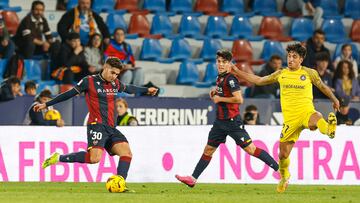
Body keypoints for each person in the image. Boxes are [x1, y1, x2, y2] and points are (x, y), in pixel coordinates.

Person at [229, 43, 339, 193]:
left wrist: (334, 99)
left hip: (306, 112)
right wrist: (236, 71)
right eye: (289, 56)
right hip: (290, 120)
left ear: (301, 59)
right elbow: (259, 80)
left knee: (316, 119)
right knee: (283, 155)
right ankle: (284, 176)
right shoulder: (281, 74)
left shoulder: (309, 73)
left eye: (294, 57)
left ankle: (329, 129)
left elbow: (323, 87)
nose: (290, 59)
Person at [36, 57, 158, 189]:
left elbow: (128, 88)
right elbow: (69, 94)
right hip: (97, 126)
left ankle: (119, 183)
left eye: (117, 74)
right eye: (112, 72)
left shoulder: (115, 83)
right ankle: (58, 158)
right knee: (94, 159)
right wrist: (47, 104)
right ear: (105, 67)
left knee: (126, 153)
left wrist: (146, 90)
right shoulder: (89, 81)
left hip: (111, 127)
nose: (114, 76)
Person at [175, 49, 279, 188]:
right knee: (208, 150)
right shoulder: (220, 78)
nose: (221, 64)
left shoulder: (231, 79)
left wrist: (219, 98)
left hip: (232, 122)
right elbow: (223, 92)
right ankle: (193, 179)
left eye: (224, 62)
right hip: (220, 122)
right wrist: (216, 91)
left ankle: (280, 170)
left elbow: (239, 99)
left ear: (230, 63)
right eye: (219, 61)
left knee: (251, 149)